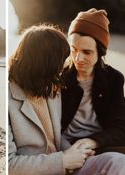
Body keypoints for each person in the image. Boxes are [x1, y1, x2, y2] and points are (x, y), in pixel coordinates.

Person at [8, 24, 94, 175]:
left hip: (66, 167)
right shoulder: (9, 98)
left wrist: (77, 152)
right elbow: (9, 165)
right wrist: (63, 161)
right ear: (44, 64)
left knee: (115, 161)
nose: (66, 65)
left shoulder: (50, 88)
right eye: (61, 60)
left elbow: (54, 139)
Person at [61, 8, 125, 174]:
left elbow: (120, 128)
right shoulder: (59, 77)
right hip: (64, 145)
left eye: (87, 52)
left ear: (101, 52)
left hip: (100, 142)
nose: (78, 58)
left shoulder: (114, 79)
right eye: (73, 49)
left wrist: (92, 141)